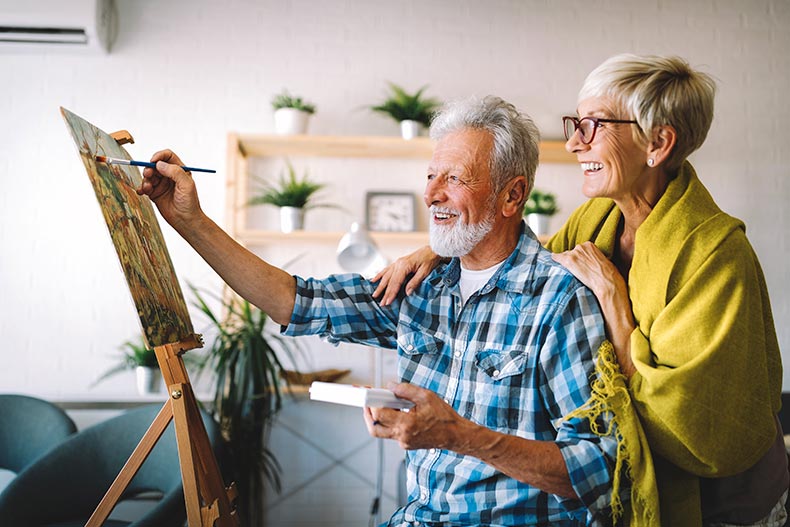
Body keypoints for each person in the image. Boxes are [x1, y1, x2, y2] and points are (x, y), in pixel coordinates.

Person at [138, 96, 620, 526]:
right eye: (432, 176)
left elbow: (599, 470)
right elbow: (296, 299)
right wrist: (189, 221)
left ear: (512, 195)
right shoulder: (423, 285)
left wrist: (461, 436)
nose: (432, 194)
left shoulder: (559, 300)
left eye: (455, 178)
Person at [372, 54, 788, 527]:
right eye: (576, 124)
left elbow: (697, 424)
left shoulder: (716, 255)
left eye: (592, 125)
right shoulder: (596, 223)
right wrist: (439, 251)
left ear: (658, 142)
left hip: (725, 505)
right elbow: (527, 255)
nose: (573, 143)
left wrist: (616, 307)